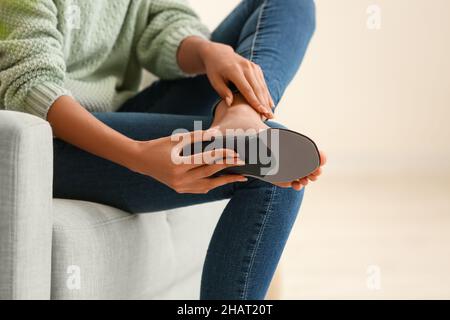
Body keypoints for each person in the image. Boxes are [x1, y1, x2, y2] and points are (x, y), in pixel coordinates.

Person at [0, 0, 325, 299]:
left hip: (120, 113)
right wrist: (138, 156)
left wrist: (208, 52)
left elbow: (161, 22)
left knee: (288, 3)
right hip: (48, 141)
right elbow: (30, 86)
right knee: (266, 155)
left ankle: (243, 112)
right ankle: (241, 120)